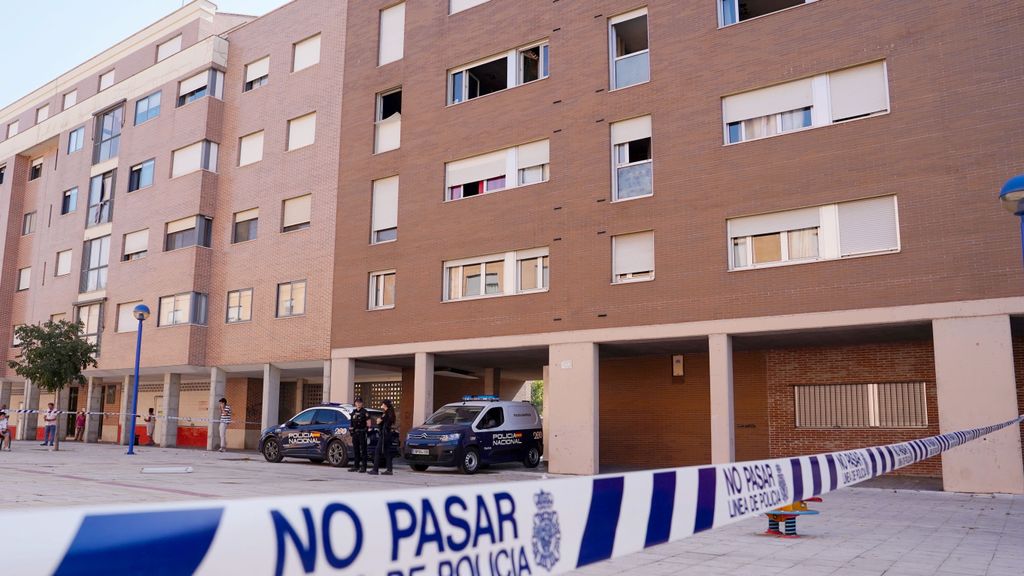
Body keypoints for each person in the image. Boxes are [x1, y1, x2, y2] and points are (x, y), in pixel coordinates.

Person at [369, 399, 395, 476]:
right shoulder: (391, 413)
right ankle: (389, 470)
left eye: (383, 404)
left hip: (384, 434)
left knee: (377, 451)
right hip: (387, 434)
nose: (382, 405)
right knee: (387, 452)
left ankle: (375, 470)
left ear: (385, 405)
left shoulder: (386, 413)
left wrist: (378, 420)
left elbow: (378, 421)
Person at [348, 397, 369, 473]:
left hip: (362, 433)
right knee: (356, 450)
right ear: (355, 403)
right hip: (355, 433)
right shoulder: (353, 412)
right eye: (357, 402)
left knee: (363, 450)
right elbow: (351, 423)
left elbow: (368, 423)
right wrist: (351, 431)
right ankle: (356, 466)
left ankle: (364, 467)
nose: (358, 404)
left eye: (360, 402)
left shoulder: (365, 412)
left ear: (362, 403)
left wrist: (366, 430)